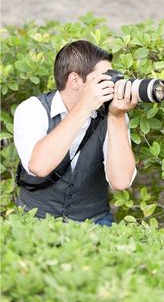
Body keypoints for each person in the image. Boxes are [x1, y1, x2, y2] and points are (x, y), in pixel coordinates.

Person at [14, 40, 138, 226]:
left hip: (94, 221)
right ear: (75, 80)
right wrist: (84, 108)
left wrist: (117, 117)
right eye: (105, 77)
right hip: (34, 220)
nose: (112, 84)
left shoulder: (113, 114)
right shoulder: (32, 110)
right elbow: (39, 166)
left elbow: (120, 182)